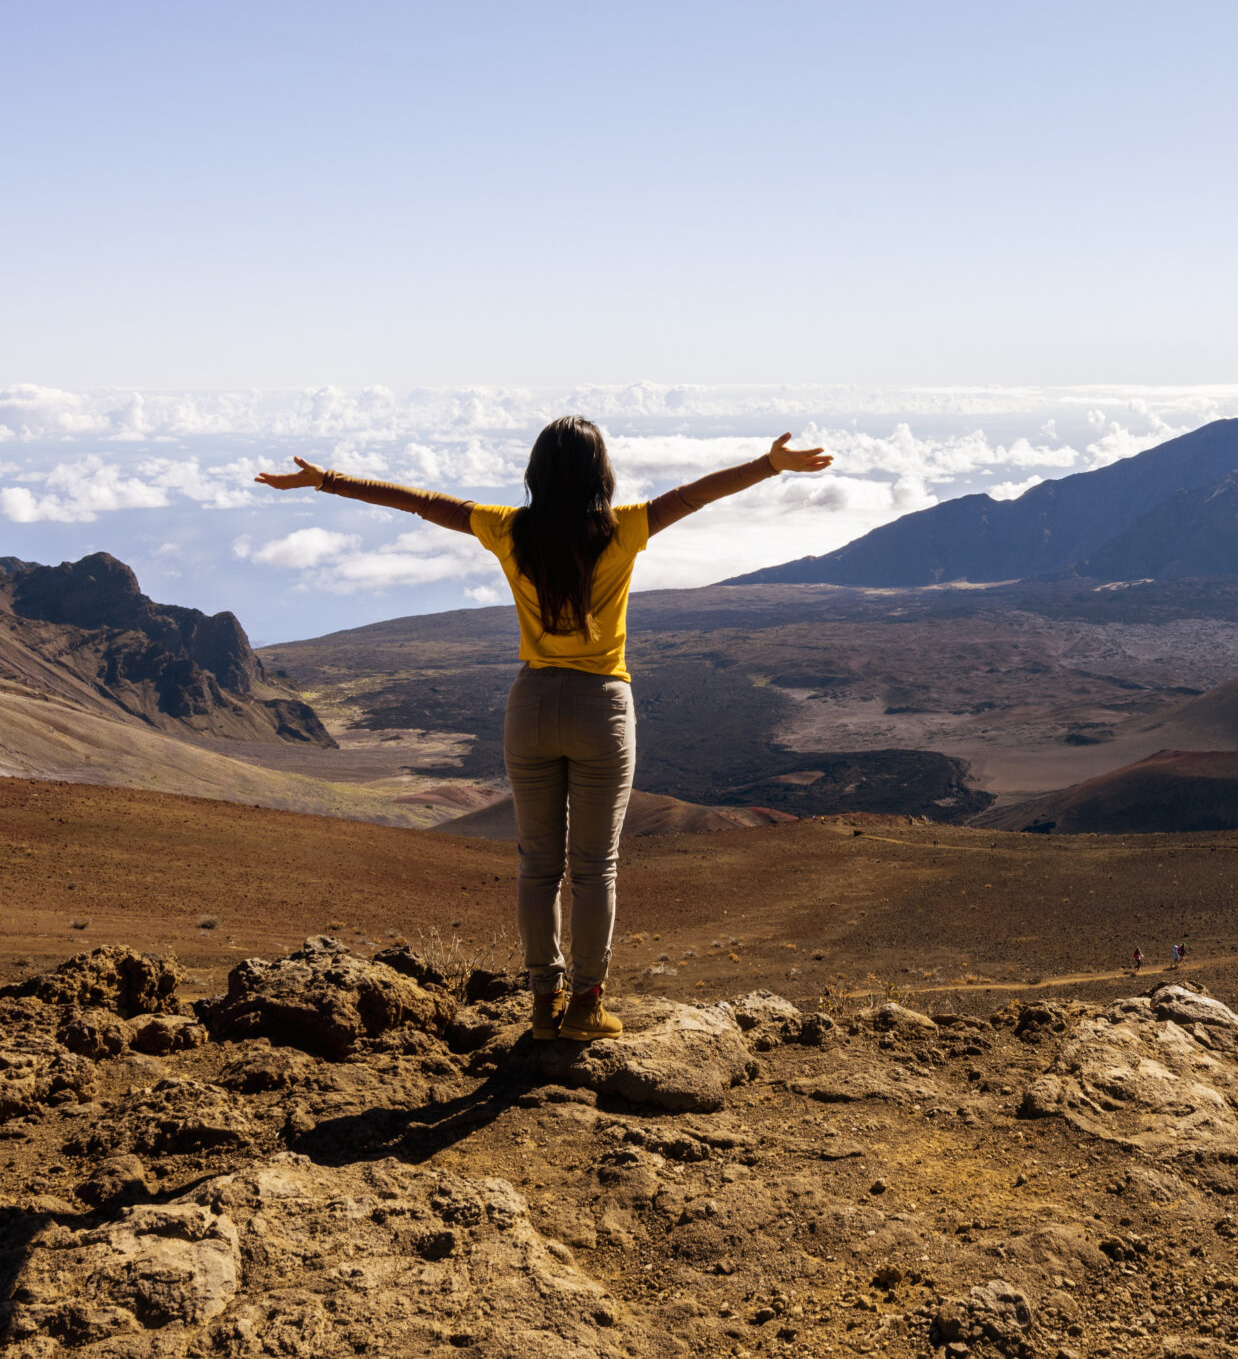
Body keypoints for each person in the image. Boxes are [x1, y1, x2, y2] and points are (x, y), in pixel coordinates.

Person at [256, 419, 833, 1043]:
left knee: (537, 867)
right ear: (600, 474)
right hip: (602, 708)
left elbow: (421, 502)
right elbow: (696, 495)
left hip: (529, 705)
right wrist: (770, 465)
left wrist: (325, 481)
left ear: (536, 472)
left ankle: (543, 1002)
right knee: (594, 869)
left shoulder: (509, 529)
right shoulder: (625, 527)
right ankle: (586, 1005)